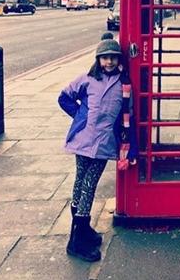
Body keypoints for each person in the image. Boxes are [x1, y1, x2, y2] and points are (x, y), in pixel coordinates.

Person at [58, 33, 137, 262]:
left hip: (104, 143)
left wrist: (128, 146)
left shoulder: (124, 84)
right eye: (104, 58)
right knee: (81, 182)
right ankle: (77, 239)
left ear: (118, 59)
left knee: (88, 184)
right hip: (83, 140)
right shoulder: (87, 78)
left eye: (113, 57)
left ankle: (81, 231)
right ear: (98, 59)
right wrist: (80, 116)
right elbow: (64, 97)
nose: (109, 62)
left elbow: (127, 115)